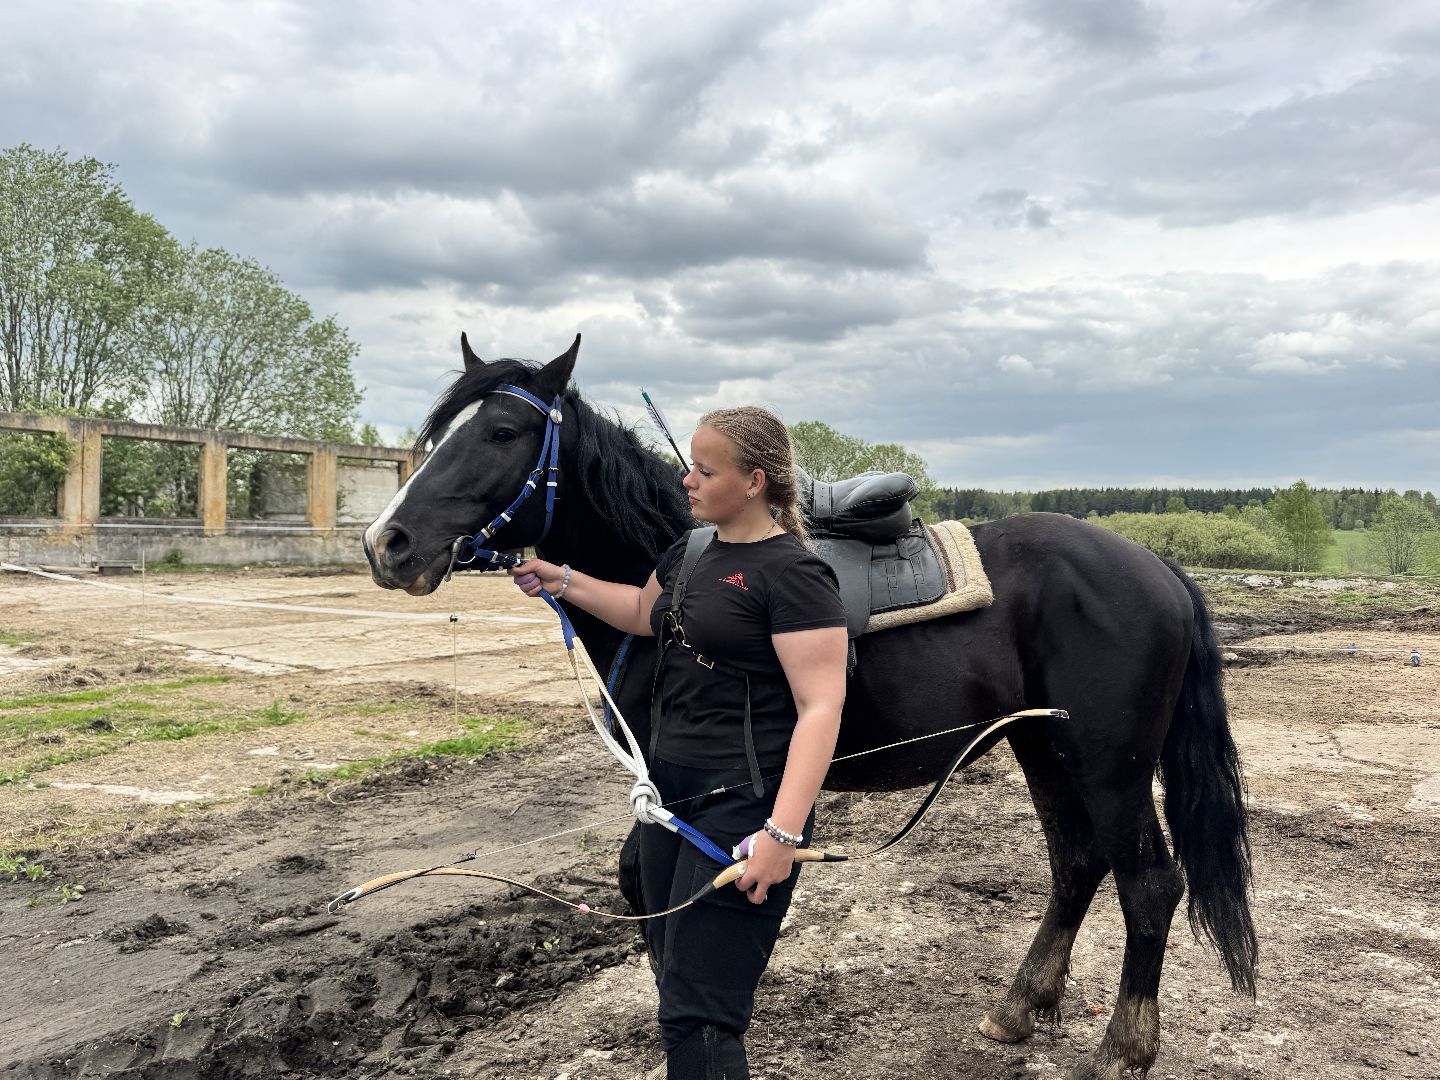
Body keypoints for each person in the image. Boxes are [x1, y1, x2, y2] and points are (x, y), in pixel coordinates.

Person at [508, 406, 848, 1079]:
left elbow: (821, 706)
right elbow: (642, 613)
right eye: (690, 465)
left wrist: (780, 836)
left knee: (700, 1017)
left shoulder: (795, 575)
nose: (687, 480)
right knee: (673, 983)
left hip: (744, 807)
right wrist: (563, 581)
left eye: (705, 470)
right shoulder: (691, 550)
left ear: (754, 481)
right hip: (670, 799)